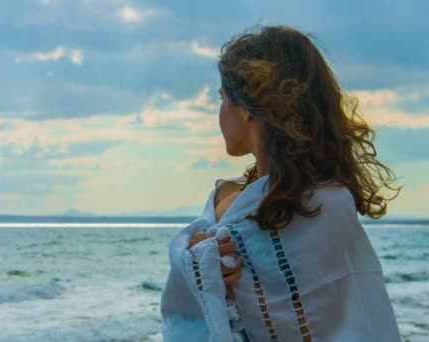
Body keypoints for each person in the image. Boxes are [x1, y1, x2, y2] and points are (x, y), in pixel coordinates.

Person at [160, 25, 402, 342]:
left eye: (222, 98)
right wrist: (202, 263)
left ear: (246, 108)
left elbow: (333, 312)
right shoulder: (227, 197)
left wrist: (220, 274)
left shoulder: (324, 202)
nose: (220, 112)